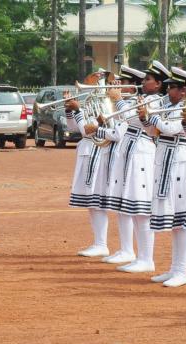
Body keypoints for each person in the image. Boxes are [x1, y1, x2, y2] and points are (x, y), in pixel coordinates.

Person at [88, 61, 167, 273]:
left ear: (158, 84)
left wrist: (118, 101)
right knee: (130, 206)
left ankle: (146, 258)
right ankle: (132, 252)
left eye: (148, 80)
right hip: (131, 151)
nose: (144, 82)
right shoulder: (142, 98)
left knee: (141, 210)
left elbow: (136, 120)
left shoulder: (156, 100)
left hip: (142, 152)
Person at [146, 67, 186, 287]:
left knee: (182, 219)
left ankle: (183, 270)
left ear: (184, 90)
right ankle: (175, 268)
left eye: (172, 87)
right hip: (166, 158)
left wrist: (153, 118)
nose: (168, 91)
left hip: (181, 160)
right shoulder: (168, 106)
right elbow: (154, 133)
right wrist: (146, 121)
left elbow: (171, 129)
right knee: (173, 219)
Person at [93, 66, 144, 266]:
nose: (118, 86)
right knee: (122, 206)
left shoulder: (132, 105)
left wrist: (98, 129)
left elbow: (118, 133)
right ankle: (125, 249)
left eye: (123, 83)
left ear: (132, 87)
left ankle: (130, 250)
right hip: (122, 155)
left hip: (130, 154)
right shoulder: (123, 104)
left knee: (131, 207)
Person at [64, 84, 110, 258]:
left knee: (95, 200)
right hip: (86, 152)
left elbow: (87, 130)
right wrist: (71, 111)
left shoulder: (105, 105)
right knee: (91, 203)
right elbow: (73, 128)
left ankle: (101, 243)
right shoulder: (91, 105)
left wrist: (78, 110)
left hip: (96, 152)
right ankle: (99, 242)